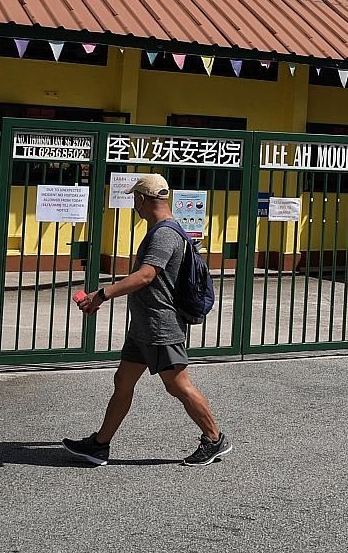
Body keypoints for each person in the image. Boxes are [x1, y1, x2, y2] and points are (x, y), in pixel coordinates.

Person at [61, 173, 232, 468]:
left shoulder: (165, 234)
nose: (134, 207)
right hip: (144, 327)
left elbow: (146, 275)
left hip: (159, 326)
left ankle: (214, 439)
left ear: (142, 199)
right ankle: (100, 445)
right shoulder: (161, 229)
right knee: (123, 381)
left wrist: (102, 294)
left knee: (178, 386)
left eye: (134, 201)